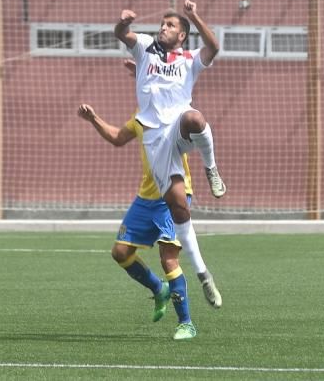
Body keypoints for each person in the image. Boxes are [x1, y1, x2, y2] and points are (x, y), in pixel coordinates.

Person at [77, 102, 222, 341]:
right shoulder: (139, 116)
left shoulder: (174, 113)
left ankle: (186, 323)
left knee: (168, 258)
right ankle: (159, 289)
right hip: (145, 197)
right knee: (121, 252)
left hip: (172, 193)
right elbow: (117, 137)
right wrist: (94, 118)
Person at [113, 0, 226, 305]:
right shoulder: (145, 49)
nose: (163, 27)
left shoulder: (189, 59)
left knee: (195, 117)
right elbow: (123, 34)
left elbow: (214, 47)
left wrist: (194, 14)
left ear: (182, 35)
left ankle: (211, 168)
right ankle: (204, 275)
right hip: (156, 142)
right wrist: (124, 22)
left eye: (171, 25)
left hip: (179, 130)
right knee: (179, 209)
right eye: (162, 23)